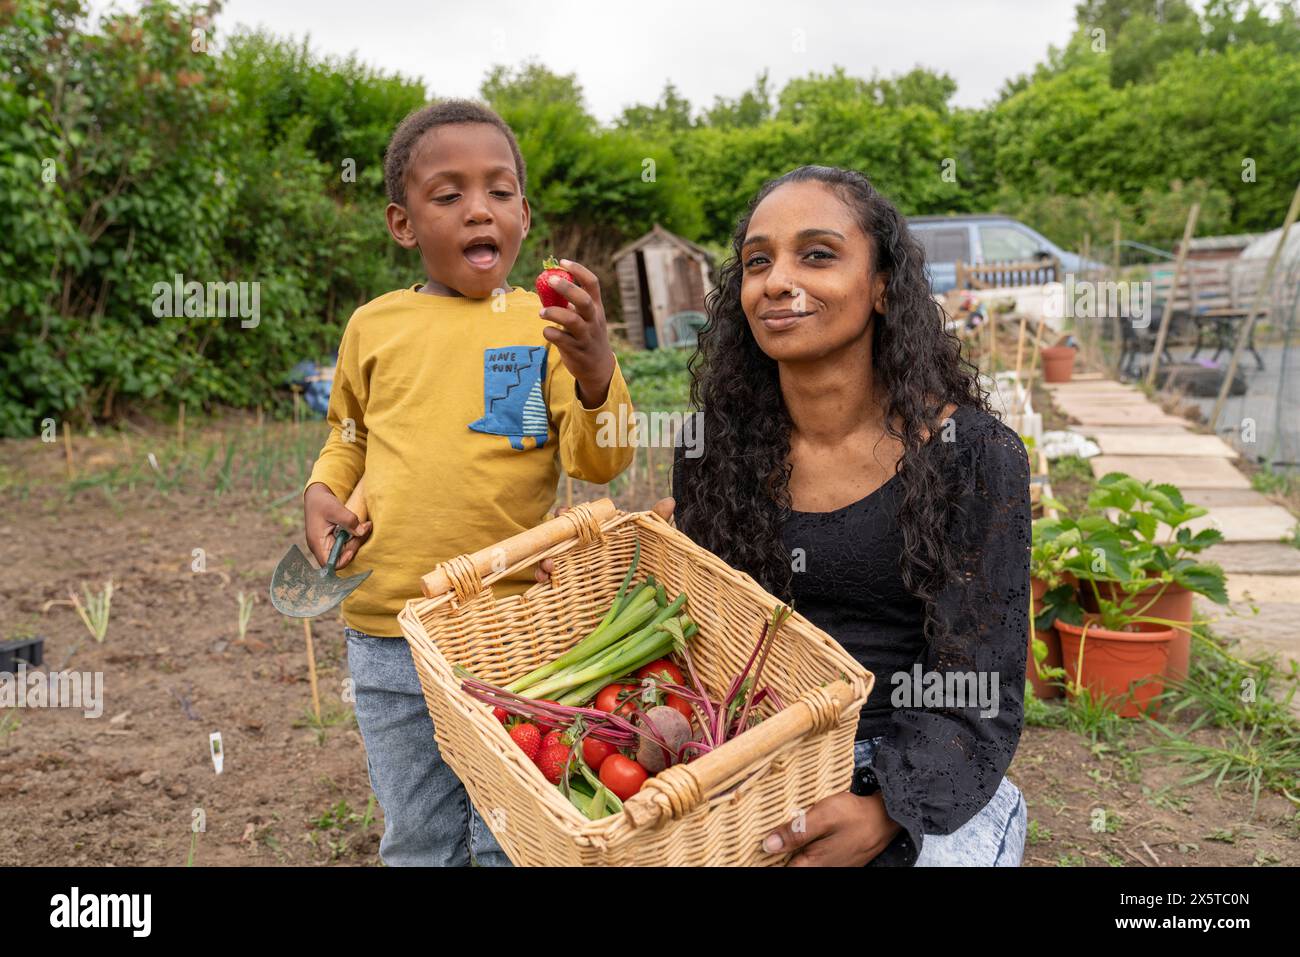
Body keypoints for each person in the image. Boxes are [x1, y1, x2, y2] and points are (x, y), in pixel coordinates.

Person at [540, 165, 1029, 866]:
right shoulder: (715, 450)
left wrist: (885, 808)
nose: (777, 280)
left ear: (883, 284)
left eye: (818, 254)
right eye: (757, 261)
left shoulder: (972, 456)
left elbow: (978, 686)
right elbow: (705, 640)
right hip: (754, 757)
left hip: (917, 759)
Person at [304, 99, 635, 866]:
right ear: (403, 223)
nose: (478, 210)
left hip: (509, 633)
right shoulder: (374, 326)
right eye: (447, 195)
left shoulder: (544, 323)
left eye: (499, 191)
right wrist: (323, 488)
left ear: (523, 211)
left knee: (509, 834)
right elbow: (347, 436)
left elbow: (600, 460)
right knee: (417, 833)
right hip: (387, 629)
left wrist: (595, 370)